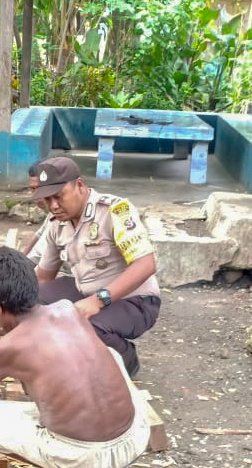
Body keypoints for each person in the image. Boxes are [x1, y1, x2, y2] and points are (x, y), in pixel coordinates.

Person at [0, 247, 149, 468]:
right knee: (108, 354)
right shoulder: (67, 309)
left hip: (83, 457)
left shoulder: (7, 349)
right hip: (134, 438)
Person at [31, 156, 161, 377]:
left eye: (59, 196)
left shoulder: (115, 211)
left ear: (79, 185)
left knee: (86, 327)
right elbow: (43, 276)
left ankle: (126, 361)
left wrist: (97, 301)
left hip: (135, 301)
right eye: (48, 199)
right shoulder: (57, 225)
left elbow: (146, 264)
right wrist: (9, 306)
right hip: (87, 293)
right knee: (32, 301)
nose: (53, 206)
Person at [20, 162, 70, 276]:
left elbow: (39, 258)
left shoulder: (63, 214)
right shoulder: (53, 212)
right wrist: (20, 258)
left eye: (40, 188)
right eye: (33, 189)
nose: (37, 195)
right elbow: (39, 234)